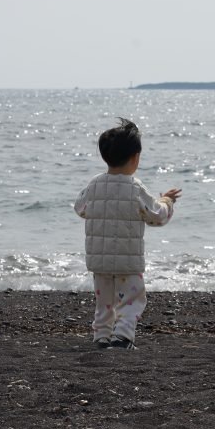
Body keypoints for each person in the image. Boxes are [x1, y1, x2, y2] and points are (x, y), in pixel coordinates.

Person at [75, 118, 181, 350]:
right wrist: (167, 201)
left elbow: (80, 208)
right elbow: (157, 215)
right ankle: (122, 337)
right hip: (128, 261)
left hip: (100, 261)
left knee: (104, 303)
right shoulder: (135, 187)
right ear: (135, 157)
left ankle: (102, 337)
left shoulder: (94, 184)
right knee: (132, 300)